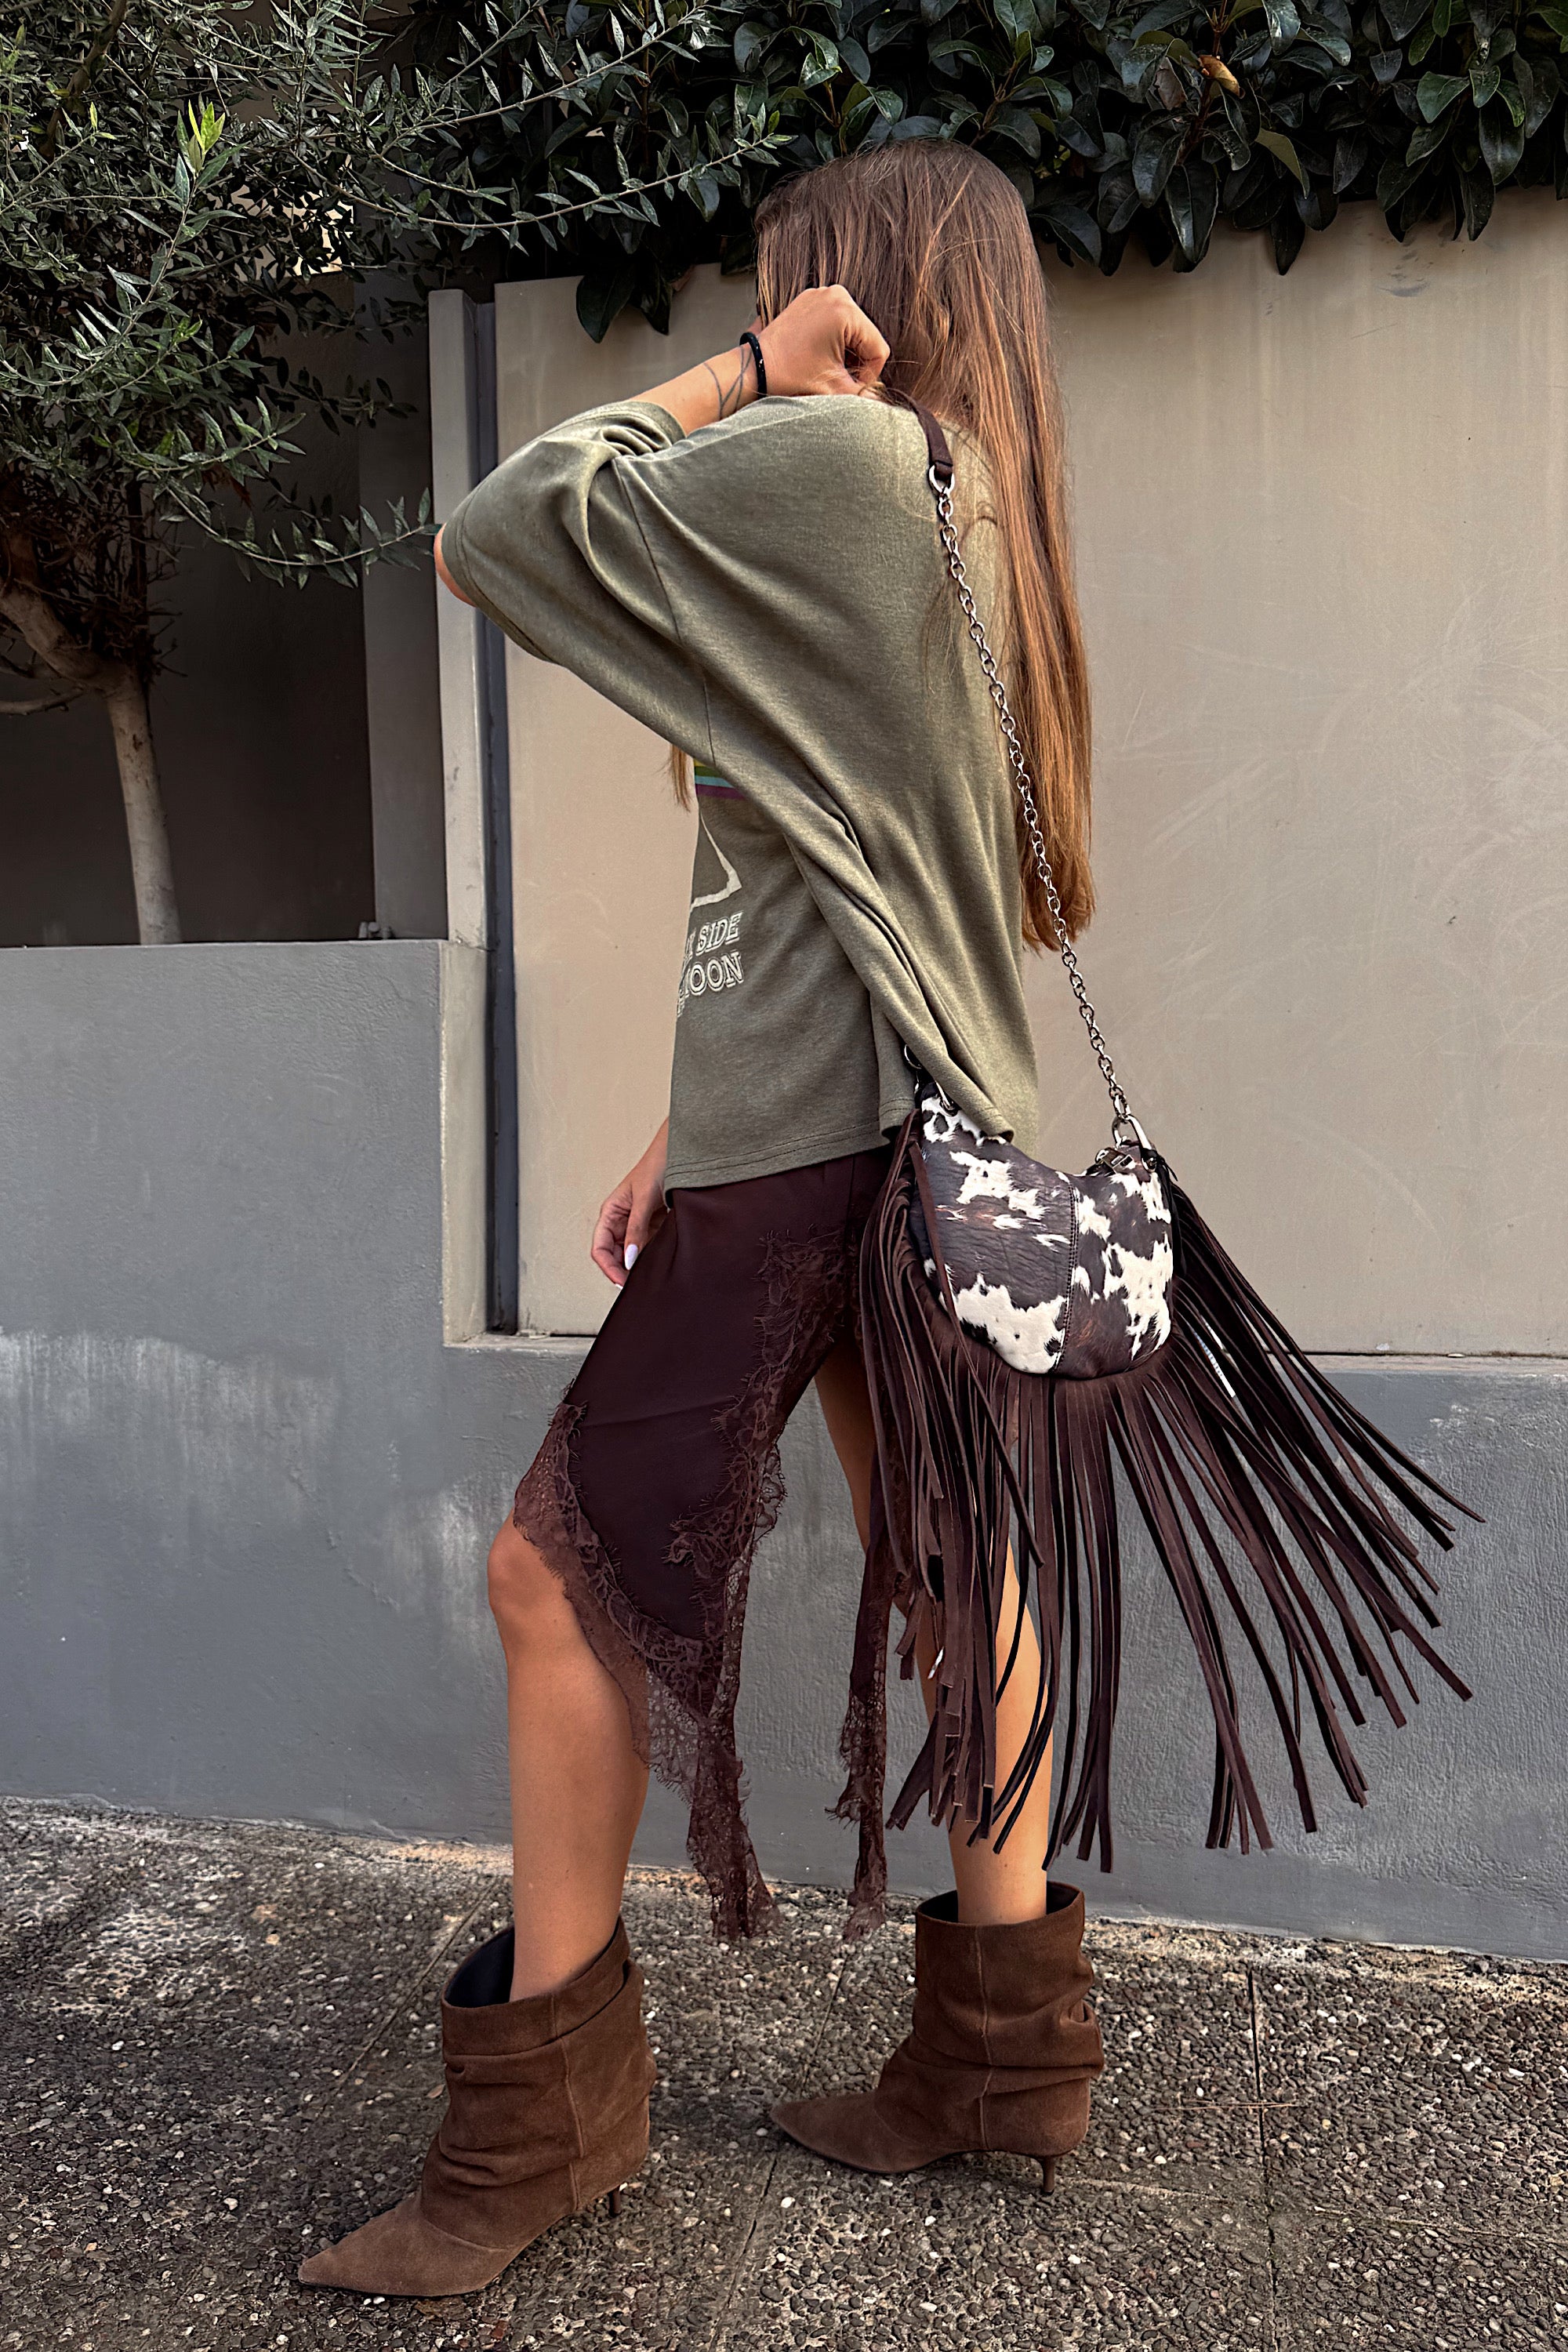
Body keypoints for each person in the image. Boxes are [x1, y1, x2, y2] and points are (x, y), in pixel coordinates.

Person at [299, 139, 1106, 2300]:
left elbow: (495, 529)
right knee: (957, 1572)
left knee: (547, 1579)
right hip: (920, 1128)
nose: (758, 310)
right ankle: (1006, 2063)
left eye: (779, 275)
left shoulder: (835, 452)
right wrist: (693, 1105)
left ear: (855, 283)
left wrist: (748, 368)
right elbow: (851, 859)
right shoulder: (971, 496)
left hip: (817, 1157)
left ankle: (537, 2133)